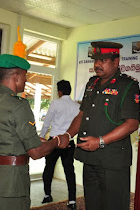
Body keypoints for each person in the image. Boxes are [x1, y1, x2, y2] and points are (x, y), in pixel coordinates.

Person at [0, 54, 69, 210]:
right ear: (16, 76)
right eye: (25, 76)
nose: (26, 81)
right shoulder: (19, 106)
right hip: (11, 186)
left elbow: (7, 136)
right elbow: (35, 152)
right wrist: (57, 141)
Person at [56, 41, 140, 210]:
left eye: (103, 60)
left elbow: (132, 123)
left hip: (113, 161)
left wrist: (100, 141)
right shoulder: (92, 83)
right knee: (93, 204)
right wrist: (67, 135)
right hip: (90, 159)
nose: (97, 64)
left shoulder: (128, 85)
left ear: (116, 62)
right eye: (95, 60)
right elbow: (82, 115)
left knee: (113, 206)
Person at [40, 80, 80, 210]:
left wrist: (41, 136)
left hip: (55, 141)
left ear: (59, 92)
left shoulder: (55, 104)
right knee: (69, 171)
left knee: (49, 168)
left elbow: (47, 122)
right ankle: (72, 201)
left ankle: (47, 195)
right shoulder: (76, 106)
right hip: (69, 142)